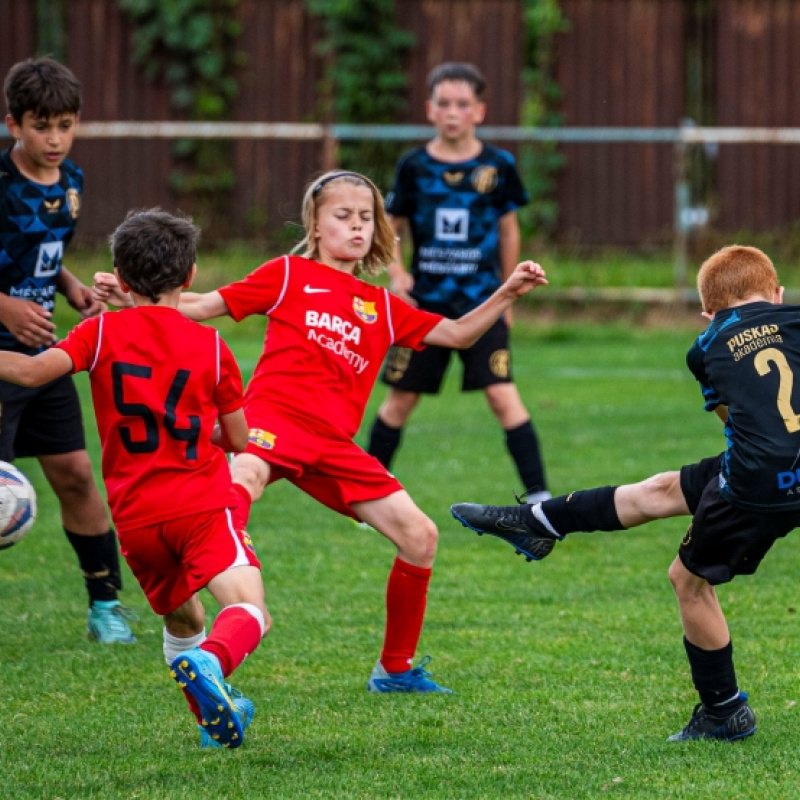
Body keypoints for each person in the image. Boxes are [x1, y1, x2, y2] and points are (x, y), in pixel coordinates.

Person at [96, 170, 548, 694]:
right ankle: (223, 602)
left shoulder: (379, 305)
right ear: (315, 222)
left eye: (366, 218)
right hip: (271, 421)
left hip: (332, 445)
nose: (356, 227)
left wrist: (507, 291)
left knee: (420, 536)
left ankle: (395, 670)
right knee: (243, 472)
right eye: (343, 215)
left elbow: (456, 333)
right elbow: (200, 306)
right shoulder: (287, 275)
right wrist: (139, 302)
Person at [451, 244, 800, 742]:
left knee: (689, 580)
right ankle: (538, 523)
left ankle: (724, 713)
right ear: (778, 294)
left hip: (760, 477)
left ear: (708, 312)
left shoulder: (705, 345)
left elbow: (733, 419)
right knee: (661, 490)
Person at [0, 209, 270, 748]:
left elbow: (30, 372)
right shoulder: (212, 348)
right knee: (248, 609)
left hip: (136, 519)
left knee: (183, 618)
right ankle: (214, 666)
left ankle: (211, 727)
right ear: (191, 275)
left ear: (119, 279)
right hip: (199, 502)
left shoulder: (98, 333)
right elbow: (238, 441)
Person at [365, 62, 549, 503]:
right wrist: (398, 273)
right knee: (399, 402)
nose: (452, 112)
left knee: (503, 397)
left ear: (479, 111)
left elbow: (509, 230)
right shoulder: (413, 165)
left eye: (462, 104)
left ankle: (540, 499)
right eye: (443, 103)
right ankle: (367, 493)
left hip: (481, 307)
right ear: (429, 109)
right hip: (423, 310)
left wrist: (507, 297)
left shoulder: (498, 165)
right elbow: (392, 226)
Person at [0, 56, 136, 642]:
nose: (54, 139)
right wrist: (4, 306)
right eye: (40, 126)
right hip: (2, 359)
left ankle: (104, 607)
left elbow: (42, 256)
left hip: (45, 358)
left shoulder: (72, 184)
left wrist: (73, 287)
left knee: (78, 474)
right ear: (14, 125)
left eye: (65, 125)